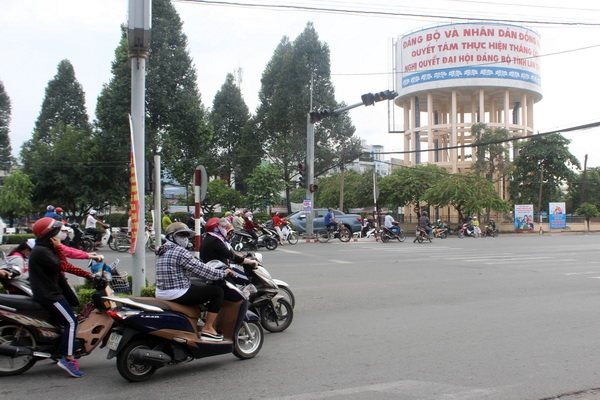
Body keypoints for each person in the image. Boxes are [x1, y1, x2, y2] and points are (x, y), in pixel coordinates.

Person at [28, 217, 101, 378]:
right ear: (51, 235)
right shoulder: (42, 251)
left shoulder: (46, 248)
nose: (63, 233)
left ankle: (61, 348)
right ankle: (68, 358)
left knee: (67, 319)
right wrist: (60, 248)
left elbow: (68, 262)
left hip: (51, 291)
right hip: (49, 295)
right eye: (59, 231)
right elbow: (64, 266)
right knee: (71, 322)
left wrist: (89, 274)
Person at [155, 222, 236, 342]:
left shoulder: (162, 250)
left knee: (198, 287)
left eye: (186, 236)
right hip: (176, 292)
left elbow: (193, 266)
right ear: (172, 237)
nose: (185, 239)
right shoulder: (180, 252)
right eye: (181, 235)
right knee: (217, 292)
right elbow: (201, 270)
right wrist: (223, 273)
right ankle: (208, 327)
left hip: (161, 292)